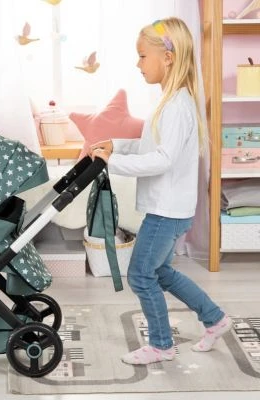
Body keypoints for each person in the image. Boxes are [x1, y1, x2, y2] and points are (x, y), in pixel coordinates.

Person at [89, 17, 232, 365]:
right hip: (171, 209)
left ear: (167, 58)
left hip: (167, 212)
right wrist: (117, 146)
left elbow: (163, 159)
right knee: (162, 272)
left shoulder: (177, 106)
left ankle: (161, 345)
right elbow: (150, 146)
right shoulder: (171, 101)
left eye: (142, 56)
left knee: (140, 275)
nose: (138, 64)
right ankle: (215, 319)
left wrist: (112, 163)